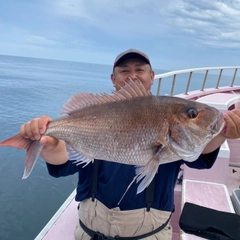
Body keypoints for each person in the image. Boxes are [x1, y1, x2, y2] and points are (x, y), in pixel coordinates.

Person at [20, 49, 240, 240]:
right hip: (91, 231)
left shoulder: (167, 115)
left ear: (152, 76)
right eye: (124, 70)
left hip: (149, 234)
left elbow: (199, 156)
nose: (132, 76)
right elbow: (64, 160)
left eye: (140, 70)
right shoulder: (97, 114)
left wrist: (222, 134)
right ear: (113, 78)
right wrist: (48, 146)